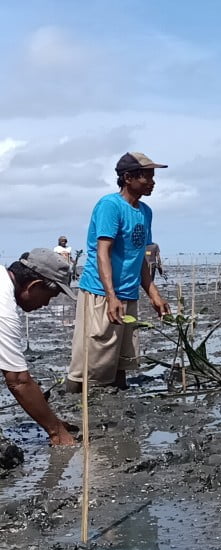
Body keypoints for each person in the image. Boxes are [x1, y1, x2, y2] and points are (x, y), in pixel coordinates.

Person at [66, 152, 172, 393]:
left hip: (128, 293)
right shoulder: (110, 206)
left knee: (121, 359)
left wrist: (153, 294)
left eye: (153, 177)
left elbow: (139, 257)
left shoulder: (145, 211)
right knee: (93, 359)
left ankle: (119, 406)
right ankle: (73, 403)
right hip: (100, 292)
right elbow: (103, 252)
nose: (152, 183)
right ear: (128, 178)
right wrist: (111, 295)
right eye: (147, 177)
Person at [2, 250, 77, 446]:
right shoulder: (3, 311)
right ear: (35, 285)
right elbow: (18, 381)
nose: (46, 304)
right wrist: (57, 432)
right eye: (50, 296)